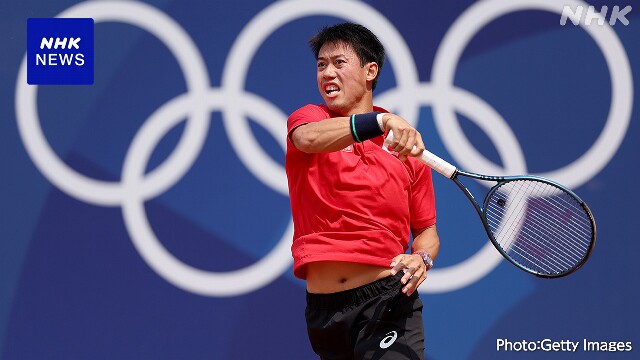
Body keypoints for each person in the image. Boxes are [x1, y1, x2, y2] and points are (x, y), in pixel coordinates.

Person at [285, 22, 440, 360]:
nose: (327, 73)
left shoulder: (406, 149)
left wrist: (422, 258)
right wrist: (381, 122)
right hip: (324, 312)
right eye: (321, 65)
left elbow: (426, 231)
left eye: (339, 63)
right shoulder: (310, 119)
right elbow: (307, 139)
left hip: (387, 300)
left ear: (371, 71)